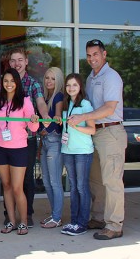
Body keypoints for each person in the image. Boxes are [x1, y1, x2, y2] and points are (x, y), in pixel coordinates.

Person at [68, 39, 127, 240]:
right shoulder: (92, 78)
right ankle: (99, 217)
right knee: (96, 180)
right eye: (89, 55)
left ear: (104, 54)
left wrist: (82, 118)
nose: (92, 58)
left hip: (110, 132)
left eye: (95, 54)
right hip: (94, 133)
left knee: (112, 181)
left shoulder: (111, 77)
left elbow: (109, 108)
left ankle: (114, 225)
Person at [0, 68, 39, 236]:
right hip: (0, 148)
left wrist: (34, 120)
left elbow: (33, 127)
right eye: (5, 81)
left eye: (12, 81)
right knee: (7, 186)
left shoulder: (25, 101)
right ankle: (11, 221)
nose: (9, 84)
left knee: (17, 188)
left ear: (17, 82)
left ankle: (23, 222)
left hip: (19, 149)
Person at [6, 47, 49, 227]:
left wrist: (45, 116)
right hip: (7, 140)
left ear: (26, 62)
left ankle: (27, 214)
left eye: (20, 60)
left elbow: (40, 102)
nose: (17, 64)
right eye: (13, 60)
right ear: (9, 64)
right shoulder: (5, 83)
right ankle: (9, 215)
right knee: (8, 180)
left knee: (26, 179)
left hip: (27, 139)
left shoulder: (33, 83)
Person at [59, 73, 95, 236]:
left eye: (74, 85)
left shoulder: (85, 104)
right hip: (68, 150)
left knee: (81, 187)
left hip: (82, 152)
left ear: (80, 87)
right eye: (68, 85)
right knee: (73, 187)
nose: (71, 88)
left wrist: (76, 127)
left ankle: (82, 222)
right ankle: (73, 221)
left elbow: (92, 129)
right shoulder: (66, 104)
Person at [38, 67, 64, 228]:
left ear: (59, 80)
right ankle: (54, 214)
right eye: (47, 78)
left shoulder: (59, 96)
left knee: (55, 182)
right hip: (45, 142)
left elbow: (57, 118)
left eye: (53, 78)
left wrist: (45, 129)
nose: (49, 81)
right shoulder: (47, 97)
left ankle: (57, 217)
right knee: (47, 182)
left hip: (54, 141)